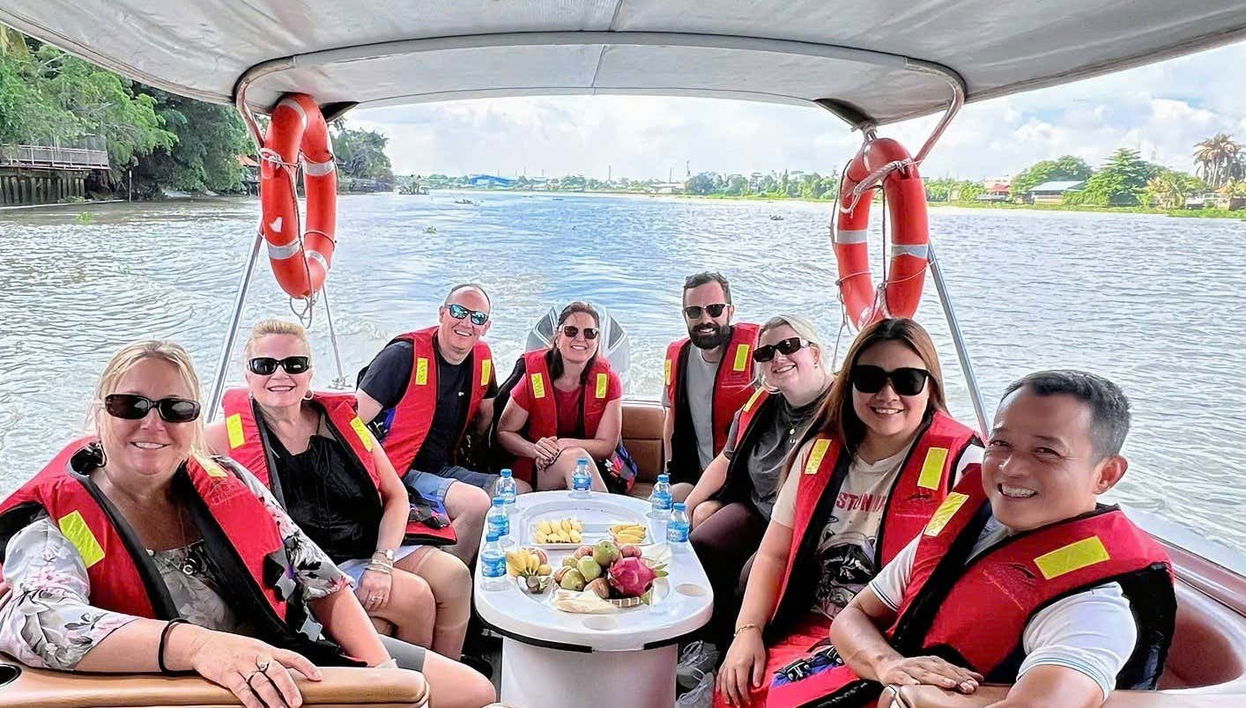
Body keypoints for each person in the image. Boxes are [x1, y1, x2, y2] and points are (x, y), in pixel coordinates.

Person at [0, 340, 496, 708]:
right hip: (197, 690)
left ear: (194, 421)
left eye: (176, 409)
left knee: (474, 691)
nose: (153, 424)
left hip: (294, 647)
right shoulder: (53, 525)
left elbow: (319, 578)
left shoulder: (229, 479)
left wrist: (380, 675)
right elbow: (39, 622)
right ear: (99, 413)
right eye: (130, 406)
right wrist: (199, 647)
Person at [812, 371, 1174, 707]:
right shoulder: (967, 524)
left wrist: (912, 696)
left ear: (1105, 475)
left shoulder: (1095, 603)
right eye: (1000, 443)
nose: (1010, 468)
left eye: (1046, 451)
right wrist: (887, 664)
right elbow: (855, 614)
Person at [715, 318, 981, 706]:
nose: (887, 394)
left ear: (931, 386)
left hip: (896, 639)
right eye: (869, 378)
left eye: (907, 380)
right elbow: (774, 552)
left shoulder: (964, 465)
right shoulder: (816, 453)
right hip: (812, 628)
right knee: (734, 687)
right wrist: (747, 632)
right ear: (850, 382)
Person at [205, 319, 477, 667]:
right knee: (416, 596)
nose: (280, 375)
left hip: (363, 544)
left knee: (454, 576)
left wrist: (382, 563)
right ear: (247, 375)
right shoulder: (220, 439)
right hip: (308, 569)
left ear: (309, 373)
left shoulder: (340, 422)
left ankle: (449, 673)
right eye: (264, 365)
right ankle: (420, 688)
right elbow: (168, 454)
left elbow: (396, 495)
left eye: (294, 364)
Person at [684, 314, 834, 650]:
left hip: (804, 529)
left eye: (789, 346)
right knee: (702, 544)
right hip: (759, 509)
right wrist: (689, 505)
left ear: (815, 353)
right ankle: (698, 643)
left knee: (749, 577)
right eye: (766, 353)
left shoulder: (843, 412)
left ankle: (729, 649)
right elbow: (727, 459)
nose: (778, 357)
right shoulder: (763, 406)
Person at [357, 283, 507, 564]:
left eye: (477, 318)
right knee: (476, 505)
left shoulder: (482, 360)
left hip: (445, 467)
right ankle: (451, 582)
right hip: (400, 471)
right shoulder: (402, 357)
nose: (466, 323)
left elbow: (486, 415)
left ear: (486, 326)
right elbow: (353, 423)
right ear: (442, 313)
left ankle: (488, 576)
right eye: (459, 312)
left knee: (516, 491)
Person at [496, 301, 632, 492]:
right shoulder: (533, 378)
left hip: (592, 466)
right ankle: (605, 517)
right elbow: (505, 432)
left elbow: (606, 446)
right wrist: (536, 450)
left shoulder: (609, 381)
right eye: (571, 331)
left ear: (597, 341)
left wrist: (562, 444)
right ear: (558, 337)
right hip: (541, 466)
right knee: (574, 459)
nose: (580, 338)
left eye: (589, 333)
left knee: (576, 457)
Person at [663, 272, 760, 502]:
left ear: (730, 311)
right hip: (695, 479)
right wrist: (668, 472)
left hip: (743, 482)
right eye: (694, 311)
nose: (705, 319)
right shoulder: (678, 356)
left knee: (702, 516)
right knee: (659, 506)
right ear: (685, 316)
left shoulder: (758, 353)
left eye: (715, 309)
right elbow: (671, 420)